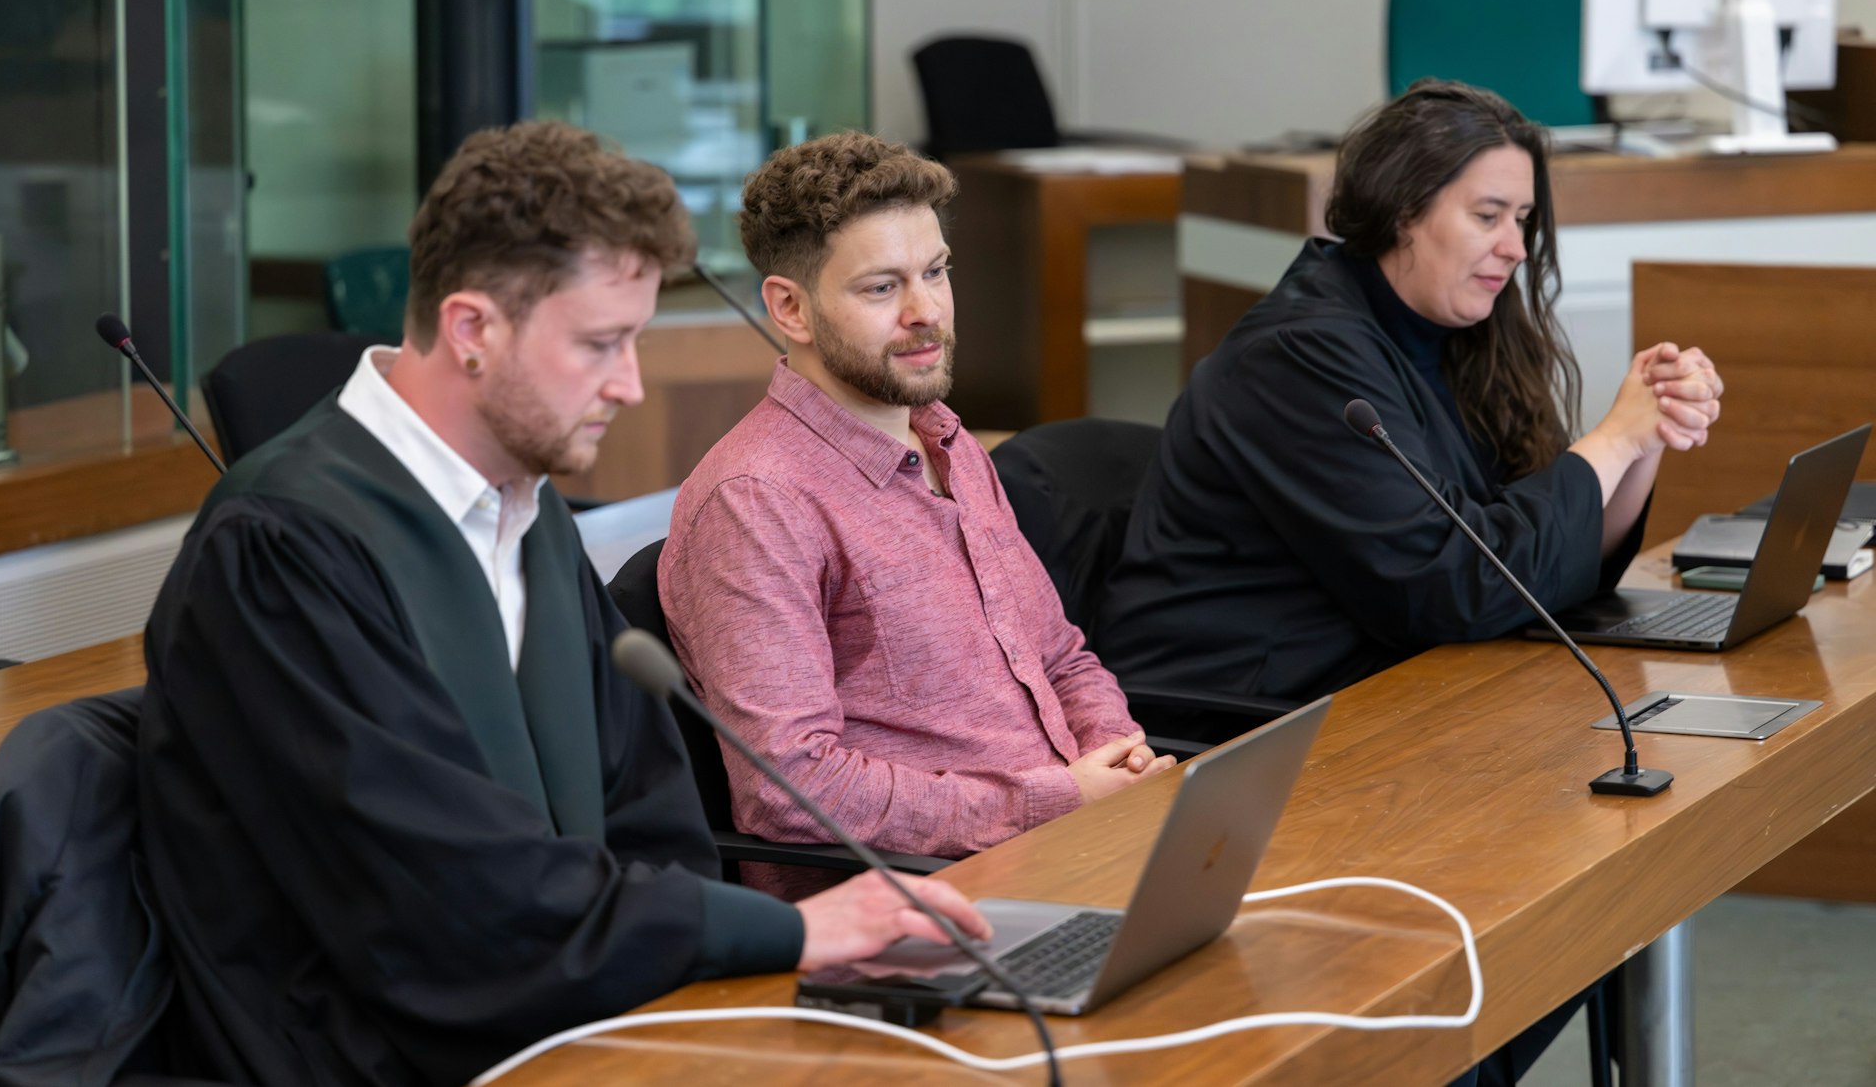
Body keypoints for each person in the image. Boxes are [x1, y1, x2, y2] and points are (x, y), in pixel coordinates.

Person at [136, 121, 987, 1087]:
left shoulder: (523, 507)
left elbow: (649, 812)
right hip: (378, 1055)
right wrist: (785, 928)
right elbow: (444, 892)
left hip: (578, 1015)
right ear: (472, 331)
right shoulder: (282, 547)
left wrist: (716, 987)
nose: (628, 385)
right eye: (599, 344)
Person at [1099, 80, 1725, 731]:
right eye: (1488, 216)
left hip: (1384, 684)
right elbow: (1454, 583)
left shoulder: (1460, 333)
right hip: (1248, 717)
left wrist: (1649, 432)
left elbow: (1541, 556)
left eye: (1523, 219)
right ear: (1404, 210)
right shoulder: (1299, 354)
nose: (1515, 245)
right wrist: (1612, 442)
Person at [658, 131, 1173, 900]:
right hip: (922, 902)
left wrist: (1116, 749)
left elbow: (1058, 654)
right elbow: (790, 785)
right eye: (881, 288)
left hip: (1070, 849)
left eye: (936, 272)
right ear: (789, 308)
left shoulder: (946, 436)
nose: (925, 311)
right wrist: (1057, 798)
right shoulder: (756, 500)